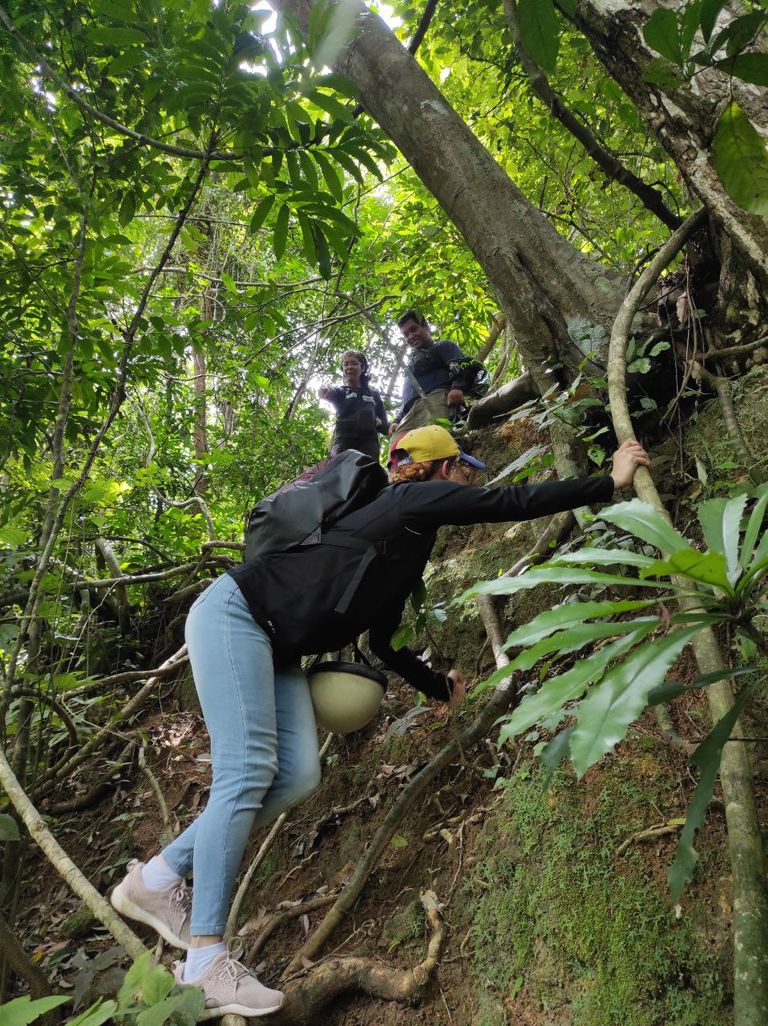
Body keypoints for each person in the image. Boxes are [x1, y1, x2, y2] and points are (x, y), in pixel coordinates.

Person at [110, 426, 650, 1018]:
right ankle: (206, 960)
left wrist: (440, 687)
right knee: (245, 773)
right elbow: (505, 503)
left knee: (295, 776)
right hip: (235, 615)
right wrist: (608, 481)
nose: (472, 476)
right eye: (465, 466)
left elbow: (383, 642)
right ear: (441, 470)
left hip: (277, 646)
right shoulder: (406, 502)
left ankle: (157, 878)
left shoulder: (403, 544)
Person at [390, 310, 478, 436]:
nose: (410, 336)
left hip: (435, 398)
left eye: (413, 329)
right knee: (397, 450)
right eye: (406, 334)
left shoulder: (443, 346)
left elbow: (461, 367)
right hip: (409, 412)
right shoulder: (410, 365)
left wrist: (457, 388)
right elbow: (407, 395)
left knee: (436, 441)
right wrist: (397, 419)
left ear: (425, 326)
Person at [318, 350, 388, 461]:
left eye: (354, 363)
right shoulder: (341, 392)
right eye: (346, 364)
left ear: (363, 368)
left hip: (369, 446)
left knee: (367, 476)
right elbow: (332, 392)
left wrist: (378, 423)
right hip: (343, 445)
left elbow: (386, 428)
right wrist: (326, 391)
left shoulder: (374, 395)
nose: (349, 367)